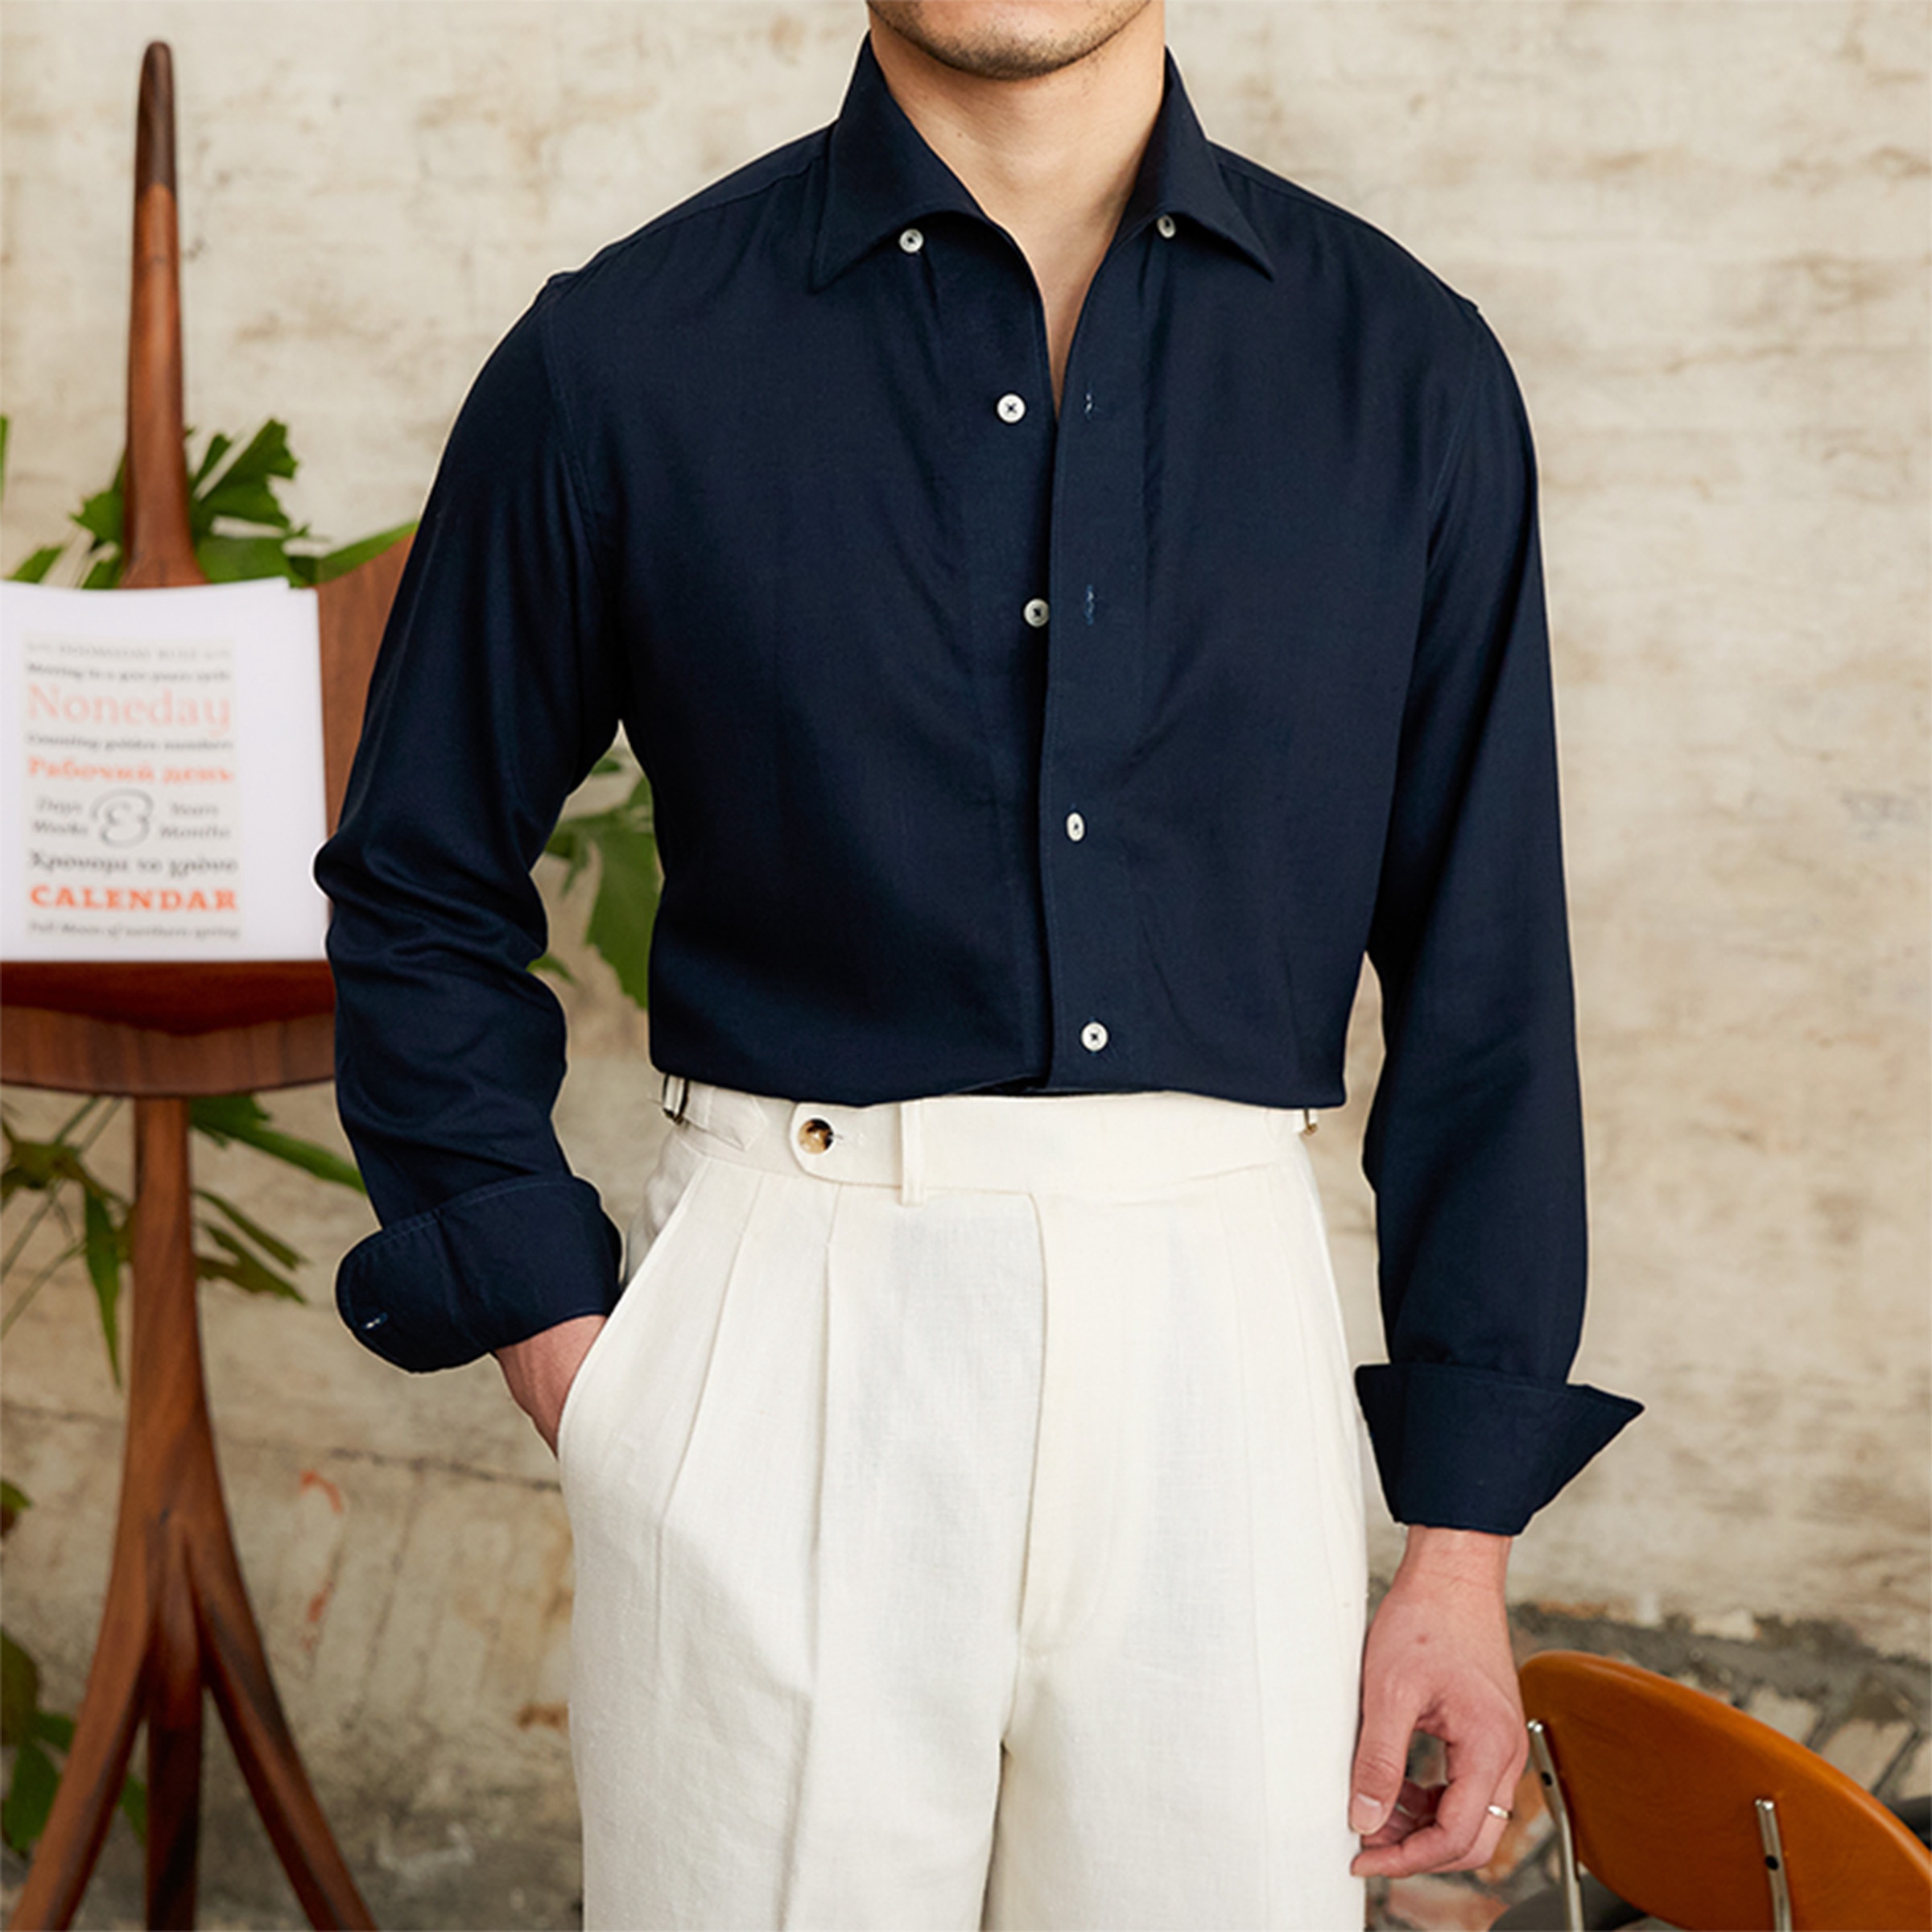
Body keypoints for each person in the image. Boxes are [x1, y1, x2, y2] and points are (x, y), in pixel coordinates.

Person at [316, 4, 1641, 1926]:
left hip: (1220, 1353)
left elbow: (1486, 970)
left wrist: (1459, 1545)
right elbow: (417, 876)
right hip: (782, 1331)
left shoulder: (1406, 370)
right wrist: (572, 1359)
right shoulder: (623, 353)